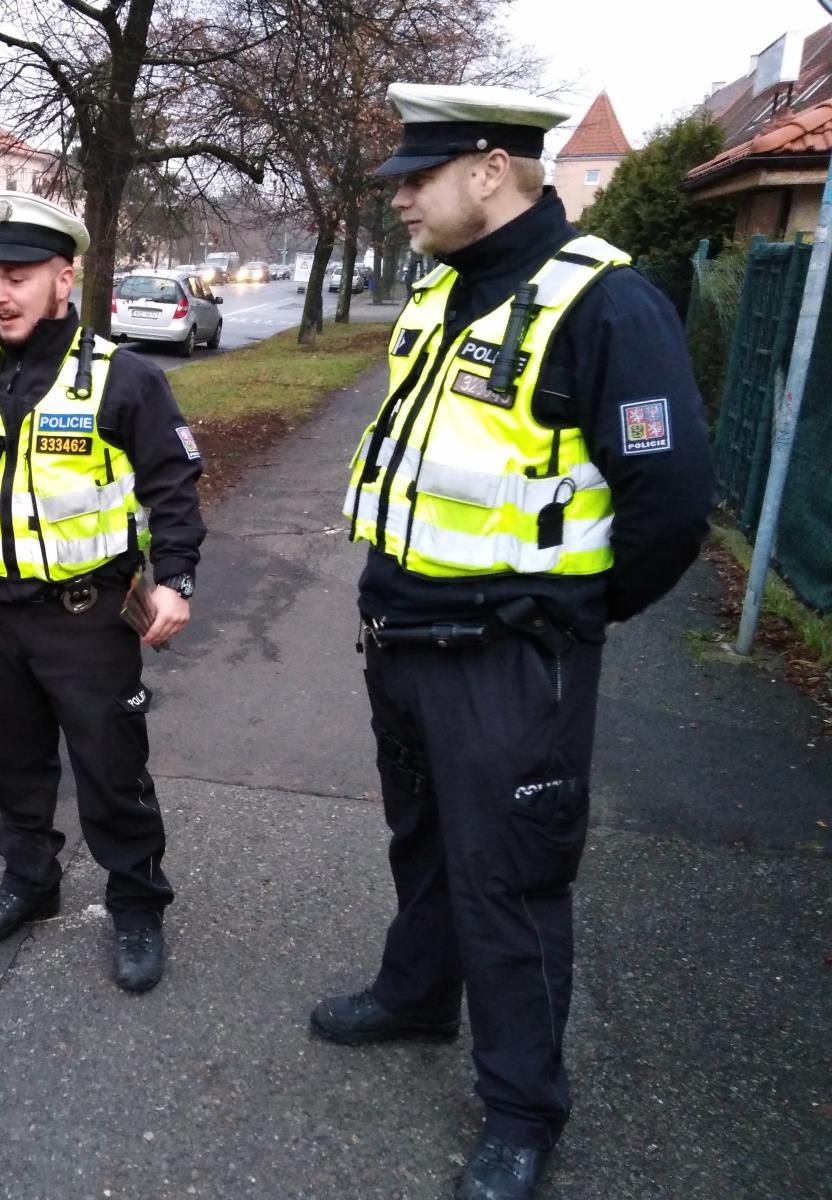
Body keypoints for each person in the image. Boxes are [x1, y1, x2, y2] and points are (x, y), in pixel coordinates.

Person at [317, 84, 714, 1200]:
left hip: (506, 657)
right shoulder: (442, 295)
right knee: (427, 844)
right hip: (403, 636)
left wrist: (568, 614)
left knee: (513, 878)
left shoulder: (606, 305)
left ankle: (523, 1108)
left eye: (416, 177)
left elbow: (671, 502)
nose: (398, 199)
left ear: (489, 169)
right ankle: (413, 997)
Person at [0, 193, 205, 992]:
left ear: (65, 279)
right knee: (13, 767)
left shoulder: (123, 380)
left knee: (109, 768)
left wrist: (178, 580)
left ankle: (136, 905)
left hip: (87, 618)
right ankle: (31, 882)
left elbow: (173, 487)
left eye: (17, 276)